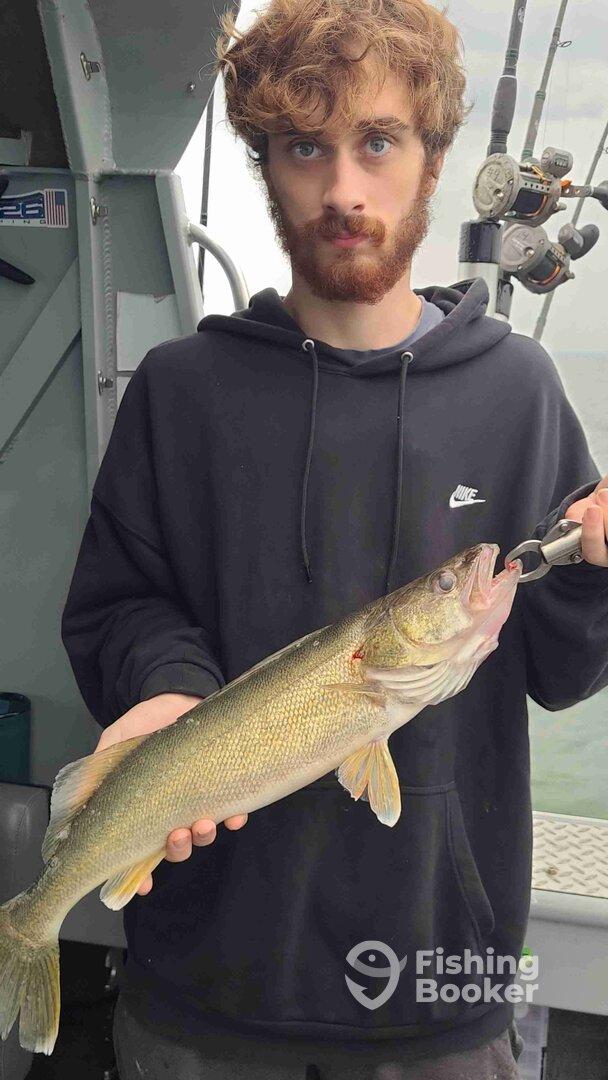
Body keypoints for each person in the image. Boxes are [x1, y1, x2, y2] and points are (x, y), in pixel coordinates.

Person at [60, 0, 608, 1076]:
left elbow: (555, 666)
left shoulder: (517, 392)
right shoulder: (181, 388)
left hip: (437, 986)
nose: (344, 191)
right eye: (304, 147)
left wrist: (590, 578)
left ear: (432, 154)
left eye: (377, 141)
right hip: (203, 983)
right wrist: (172, 689)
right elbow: (116, 606)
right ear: (266, 165)